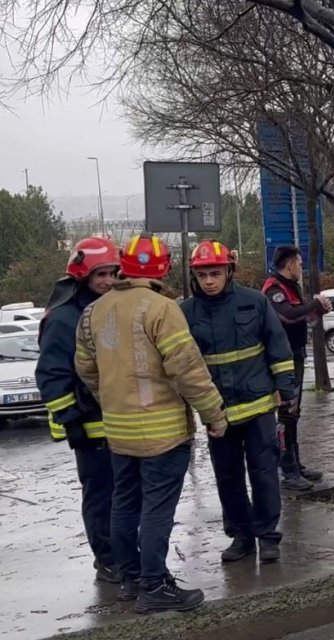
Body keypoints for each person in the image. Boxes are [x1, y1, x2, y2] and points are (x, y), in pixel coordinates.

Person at [75, 233, 228, 613]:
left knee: (123, 504)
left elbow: (85, 367)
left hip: (118, 431)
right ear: (165, 269)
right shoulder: (162, 309)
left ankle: (128, 578)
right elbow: (188, 370)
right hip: (162, 433)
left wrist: (111, 399)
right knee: (157, 509)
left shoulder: (93, 311)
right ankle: (154, 585)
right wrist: (214, 414)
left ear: (123, 266)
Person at [181, 241, 296, 564]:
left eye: (215, 273)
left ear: (229, 271)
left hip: (258, 406)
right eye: (202, 275)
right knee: (228, 478)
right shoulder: (185, 313)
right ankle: (241, 537)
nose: (209, 281)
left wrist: (286, 391)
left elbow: (278, 347)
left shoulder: (255, 302)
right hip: (217, 412)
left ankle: (268, 537)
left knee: (264, 474)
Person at [35, 237, 122, 585]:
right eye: (100, 274)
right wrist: (70, 420)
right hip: (88, 424)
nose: (107, 281)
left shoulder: (107, 307)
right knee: (101, 494)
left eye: (112, 273)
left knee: (123, 493)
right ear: (82, 274)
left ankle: (124, 553)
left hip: (118, 420)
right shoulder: (64, 318)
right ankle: (107, 558)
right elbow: (51, 375)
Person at [262, 246, 332, 490]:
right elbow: (288, 316)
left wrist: (318, 311)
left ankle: (296, 463)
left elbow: (304, 319)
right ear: (290, 264)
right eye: (299, 263)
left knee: (294, 412)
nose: (301, 267)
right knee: (286, 413)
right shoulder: (274, 288)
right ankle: (287, 469)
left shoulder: (292, 287)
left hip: (296, 355)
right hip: (282, 359)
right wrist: (314, 303)